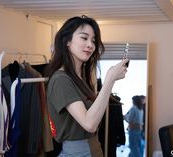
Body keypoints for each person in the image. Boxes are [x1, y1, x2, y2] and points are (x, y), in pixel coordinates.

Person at [45, 15, 129, 156]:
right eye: (84, 38)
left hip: (92, 148)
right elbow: (89, 124)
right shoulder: (61, 80)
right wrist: (110, 79)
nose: (90, 45)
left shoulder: (79, 78)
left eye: (93, 41)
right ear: (67, 41)